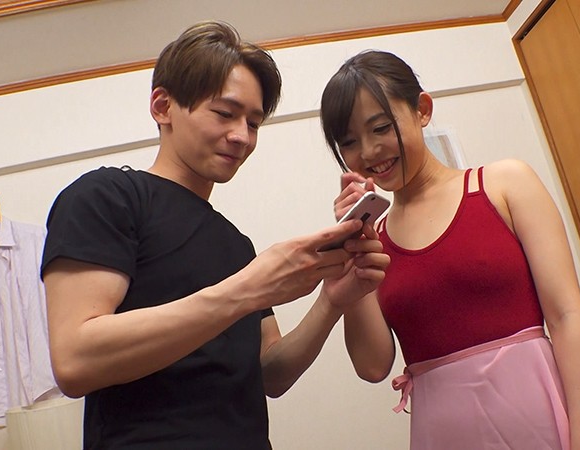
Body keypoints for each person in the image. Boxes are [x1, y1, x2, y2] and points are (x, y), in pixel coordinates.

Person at [40, 21, 389, 449]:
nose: (242, 137)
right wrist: (248, 289)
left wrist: (332, 300)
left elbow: (270, 374)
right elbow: (75, 360)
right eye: (224, 113)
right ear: (163, 106)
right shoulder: (106, 196)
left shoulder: (236, 244)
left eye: (254, 123)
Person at [319, 50, 580, 449]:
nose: (369, 151)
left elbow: (567, 317)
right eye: (350, 142)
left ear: (422, 110)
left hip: (540, 420)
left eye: (381, 128)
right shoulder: (373, 242)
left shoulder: (506, 184)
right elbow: (372, 366)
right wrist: (351, 250)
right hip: (443, 434)